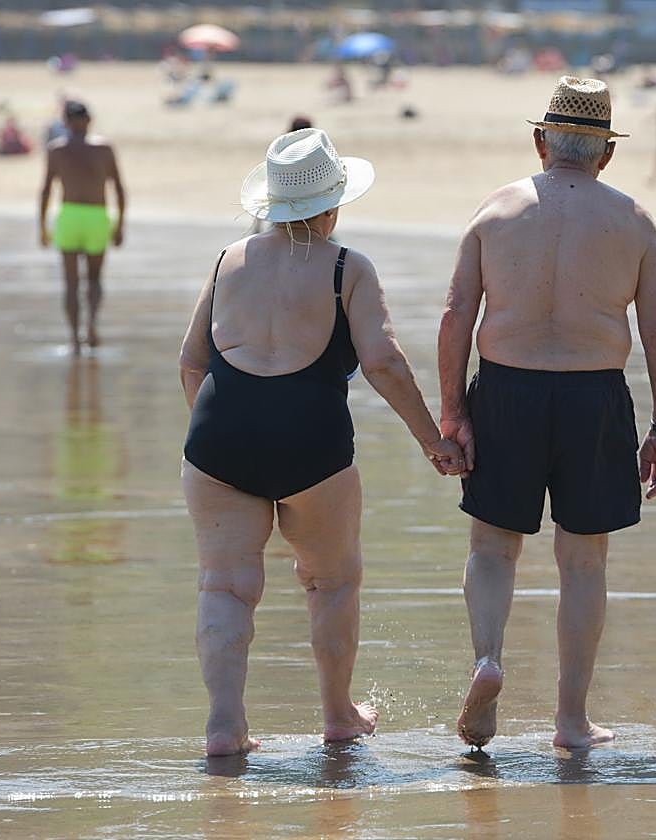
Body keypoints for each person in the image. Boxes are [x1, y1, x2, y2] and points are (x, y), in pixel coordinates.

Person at [179, 128, 464, 756]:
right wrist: (432, 440)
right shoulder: (346, 269)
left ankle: (225, 728)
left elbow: (191, 362)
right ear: (332, 204)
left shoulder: (229, 259)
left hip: (219, 437)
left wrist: (221, 435)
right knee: (331, 582)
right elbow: (384, 363)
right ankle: (338, 716)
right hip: (313, 443)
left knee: (224, 587)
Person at [437, 77, 656, 750]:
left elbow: (457, 313)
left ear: (541, 142)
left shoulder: (495, 212)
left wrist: (453, 411)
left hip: (508, 390)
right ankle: (571, 721)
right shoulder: (630, 220)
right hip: (592, 396)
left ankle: (488, 657)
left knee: (492, 546)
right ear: (606, 153)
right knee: (583, 563)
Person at [39, 100, 126, 355]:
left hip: (69, 216)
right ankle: (91, 325)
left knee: (71, 283)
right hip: (97, 216)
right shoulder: (104, 148)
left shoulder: (57, 149)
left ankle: (74, 340)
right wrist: (120, 224)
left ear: (65, 122)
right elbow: (119, 188)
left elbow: (45, 190)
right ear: (89, 120)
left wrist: (42, 226)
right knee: (95, 279)